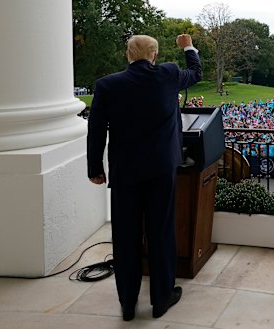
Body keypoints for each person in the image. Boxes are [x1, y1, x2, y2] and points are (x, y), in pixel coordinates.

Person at [87, 34, 202, 321]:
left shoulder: (107, 85)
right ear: (154, 54)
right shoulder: (168, 74)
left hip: (126, 171)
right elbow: (197, 73)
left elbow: (97, 130)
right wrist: (187, 46)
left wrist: (95, 169)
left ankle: (127, 302)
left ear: (128, 54)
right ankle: (161, 299)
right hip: (161, 169)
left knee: (125, 237)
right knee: (161, 231)